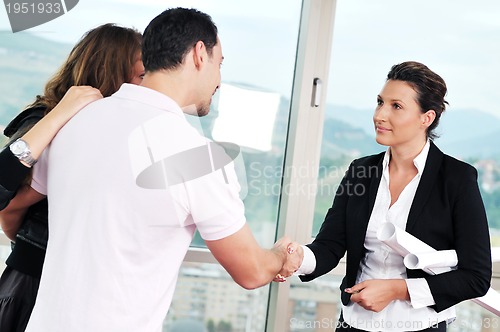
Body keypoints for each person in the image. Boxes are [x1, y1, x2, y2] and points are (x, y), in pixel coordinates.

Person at [9, 8, 301, 332]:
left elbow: (14, 202)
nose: (219, 80)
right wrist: (279, 255)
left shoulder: (73, 122)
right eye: (220, 64)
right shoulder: (198, 156)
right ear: (199, 54)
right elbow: (252, 271)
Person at [287, 61, 491, 331]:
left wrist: (398, 290)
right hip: (353, 325)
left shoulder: (457, 178)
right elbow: (329, 246)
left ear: (426, 118)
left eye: (396, 106)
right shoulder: (360, 171)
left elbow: (475, 276)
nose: (380, 115)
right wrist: (297, 257)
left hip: (420, 326)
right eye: (380, 102)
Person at [0, 23, 144, 331]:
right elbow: (8, 203)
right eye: (141, 75)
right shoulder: (47, 120)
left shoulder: (114, 130)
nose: (145, 86)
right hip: (32, 285)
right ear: (112, 72)